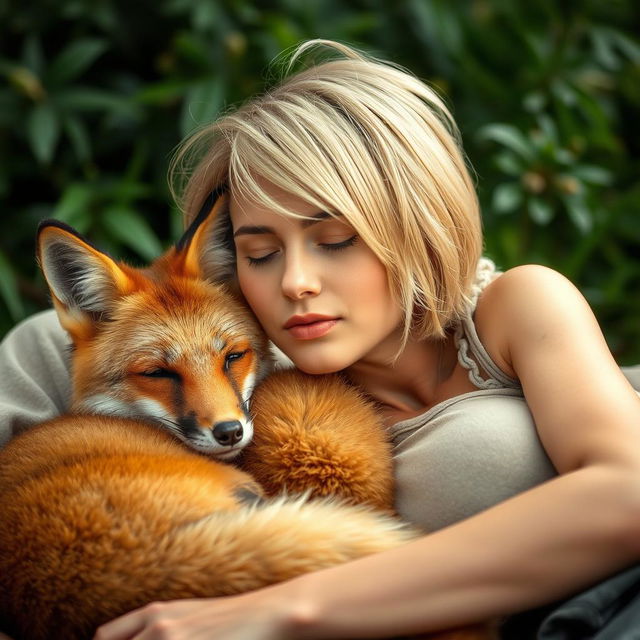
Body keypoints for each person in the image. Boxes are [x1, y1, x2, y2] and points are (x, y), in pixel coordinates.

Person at [1, 39, 639, 640]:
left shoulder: (514, 307)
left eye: (335, 241)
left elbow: (628, 493)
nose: (297, 283)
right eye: (258, 253)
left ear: (416, 223)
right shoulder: (232, 360)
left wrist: (283, 608)